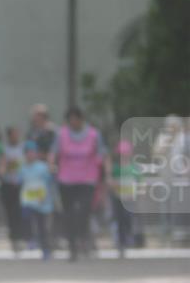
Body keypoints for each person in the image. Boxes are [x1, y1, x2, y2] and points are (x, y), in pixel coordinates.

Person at [52, 106, 109, 261]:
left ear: (81, 119)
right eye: (70, 120)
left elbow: (102, 155)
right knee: (68, 214)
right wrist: (51, 166)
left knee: (83, 212)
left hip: (88, 180)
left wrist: (106, 175)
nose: (73, 123)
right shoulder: (61, 134)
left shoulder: (93, 134)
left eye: (75, 119)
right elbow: (54, 153)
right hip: (66, 179)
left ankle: (83, 239)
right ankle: (72, 247)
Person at [19, 140, 54, 259]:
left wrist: (44, 196)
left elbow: (49, 181)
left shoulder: (43, 167)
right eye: (28, 152)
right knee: (26, 218)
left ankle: (46, 249)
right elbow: (21, 182)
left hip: (42, 202)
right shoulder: (23, 168)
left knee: (42, 226)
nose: (30, 155)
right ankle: (30, 239)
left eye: (32, 152)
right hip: (28, 201)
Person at [110, 140, 139, 257]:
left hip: (130, 199)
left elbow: (139, 181)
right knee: (119, 219)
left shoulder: (133, 168)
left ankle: (128, 237)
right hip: (118, 198)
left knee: (128, 218)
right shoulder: (116, 168)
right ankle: (121, 243)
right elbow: (111, 181)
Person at [0, 125, 27, 252]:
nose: (16, 137)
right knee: (11, 213)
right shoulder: (4, 149)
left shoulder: (23, 148)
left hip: (22, 184)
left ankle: (22, 237)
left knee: (20, 212)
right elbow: (2, 166)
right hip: (8, 184)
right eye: (14, 134)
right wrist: (8, 164)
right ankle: (14, 239)